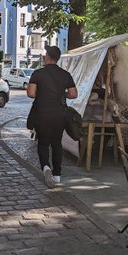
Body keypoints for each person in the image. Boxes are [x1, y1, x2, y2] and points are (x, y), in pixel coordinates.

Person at [27, 45, 77, 185]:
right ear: (58, 58)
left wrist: (42, 94)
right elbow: (73, 94)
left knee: (43, 142)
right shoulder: (65, 74)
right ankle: (57, 175)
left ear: (47, 56)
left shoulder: (38, 73)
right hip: (59, 115)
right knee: (56, 143)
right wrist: (63, 94)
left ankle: (46, 167)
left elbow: (31, 93)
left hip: (42, 113)